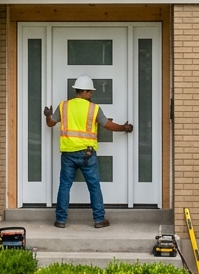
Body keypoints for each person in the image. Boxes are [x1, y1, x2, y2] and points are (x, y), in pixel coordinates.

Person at [44, 75, 133, 229]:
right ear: (84, 92)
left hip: (68, 153)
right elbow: (108, 125)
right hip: (87, 154)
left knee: (64, 185)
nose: (91, 94)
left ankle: (60, 220)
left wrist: (47, 115)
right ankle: (99, 220)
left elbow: (51, 123)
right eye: (90, 92)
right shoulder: (94, 108)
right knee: (94, 186)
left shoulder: (63, 106)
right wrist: (124, 128)